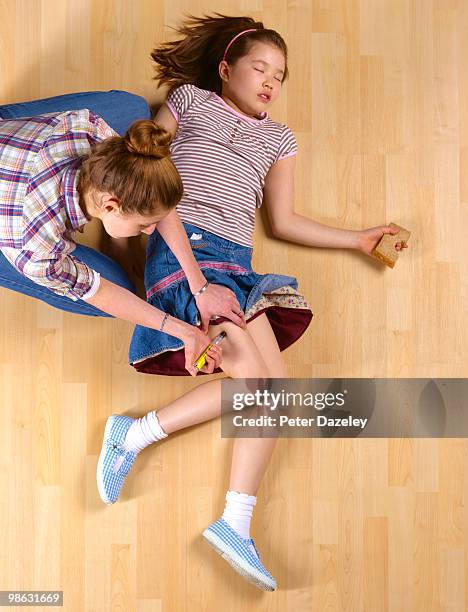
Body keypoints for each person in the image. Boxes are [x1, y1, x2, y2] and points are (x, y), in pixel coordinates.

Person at [96, 14, 408, 591]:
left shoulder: (279, 139)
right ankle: (161, 459)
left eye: (280, 76)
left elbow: (283, 221)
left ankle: (213, 504)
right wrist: (180, 275)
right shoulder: (190, 101)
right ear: (225, 69)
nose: (270, 82)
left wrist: (357, 238)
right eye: (260, 68)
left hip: (238, 266)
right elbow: (150, 176)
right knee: (257, 387)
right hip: (186, 251)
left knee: (273, 393)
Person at [0, 111, 246, 374]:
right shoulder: (36, 251)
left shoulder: (85, 127)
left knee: (131, 106)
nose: (151, 231)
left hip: (15, 145)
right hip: (15, 228)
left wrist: (200, 287)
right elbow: (100, 292)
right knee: (119, 288)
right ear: (110, 205)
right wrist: (185, 332)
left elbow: (151, 191)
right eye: (143, 225)